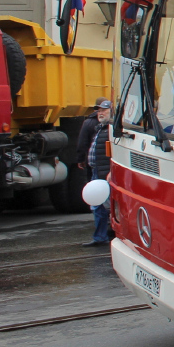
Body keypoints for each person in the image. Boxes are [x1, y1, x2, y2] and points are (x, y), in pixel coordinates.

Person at [76, 98, 112, 247]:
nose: (100, 113)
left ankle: (102, 236)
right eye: (99, 110)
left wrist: (111, 171)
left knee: (103, 206)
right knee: (99, 206)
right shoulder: (100, 128)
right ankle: (101, 236)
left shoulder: (110, 130)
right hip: (98, 171)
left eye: (104, 110)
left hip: (105, 173)